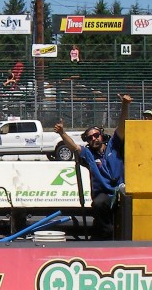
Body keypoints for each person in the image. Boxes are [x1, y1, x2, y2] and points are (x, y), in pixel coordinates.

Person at [54, 93, 133, 240]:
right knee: (99, 203)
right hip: (103, 195)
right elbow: (74, 148)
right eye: (90, 137)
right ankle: (107, 234)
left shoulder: (114, 145)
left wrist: (124, 106)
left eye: (96, 135)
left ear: (101, 135)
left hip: (120, 191)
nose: (94, 138)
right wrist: (62, 133)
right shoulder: (88, 153)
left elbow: (122, 126)